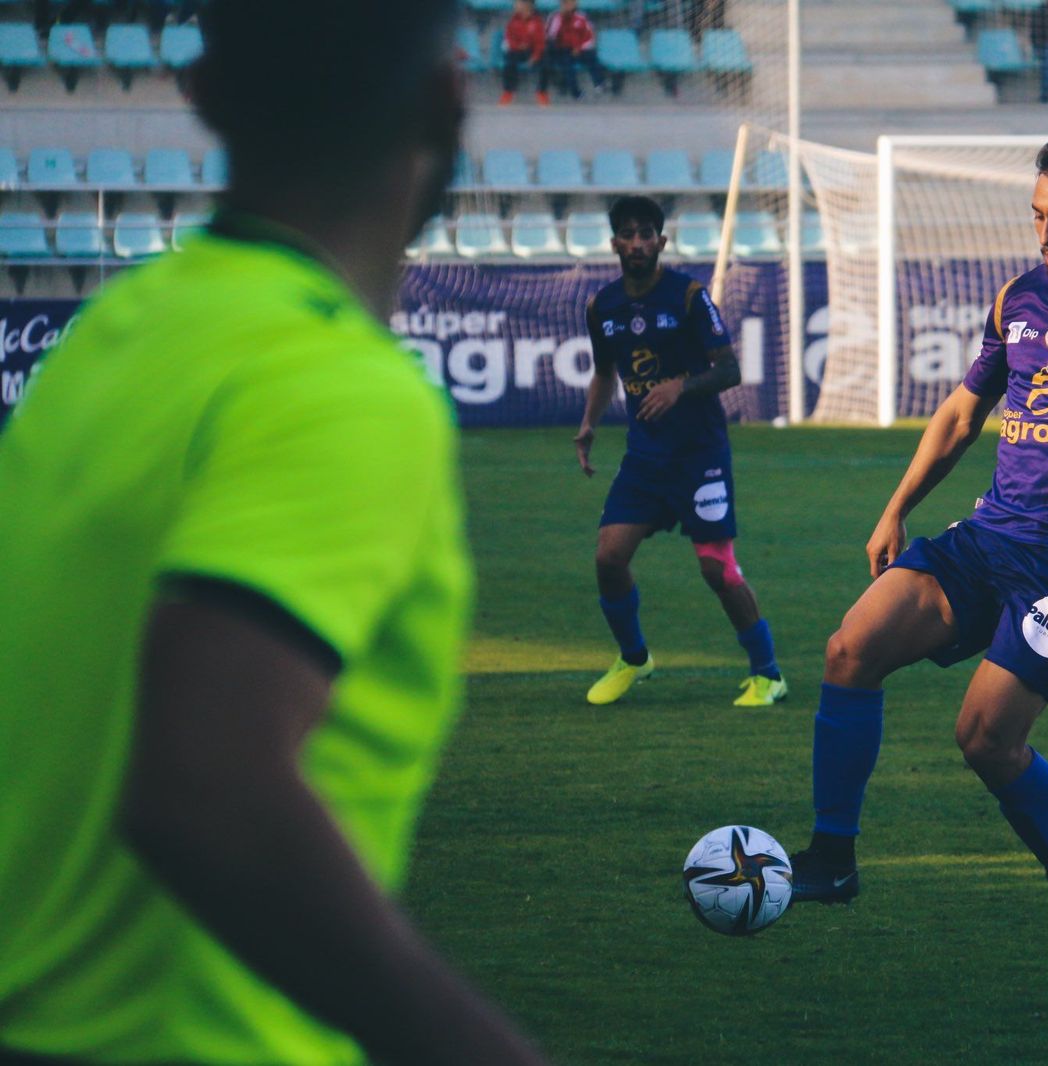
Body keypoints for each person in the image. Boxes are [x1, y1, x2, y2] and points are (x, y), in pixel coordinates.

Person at [0, 3, 549, 1065]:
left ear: (203, 94)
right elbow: (203, 783)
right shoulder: (338, 387)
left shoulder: (113, 334)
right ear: (447, 95)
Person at [785, 136, 1048, 987]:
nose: (1047, 233)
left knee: (984, 738)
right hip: (988, 536)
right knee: (849, 649)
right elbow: (962, 412)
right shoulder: (1016, 300)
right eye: (1038, 215)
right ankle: (832, 858)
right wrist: (897, 504)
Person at [575, 195, 787, 708]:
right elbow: (606, 373)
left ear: (661, 242)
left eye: (647, 234)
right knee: (609, 557)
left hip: (700, 455)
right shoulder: (602, 308)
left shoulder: (689, 297)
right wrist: (587, 425)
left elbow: (730, 369)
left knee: (716, 569)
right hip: (646, 458)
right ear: (615, 244)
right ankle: (634, 658)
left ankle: (768, 674)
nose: (638, 243)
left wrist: (679, 387)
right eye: (628, 235)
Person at [543, 0, 607, 100]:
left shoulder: (581, 16)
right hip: (563, 49)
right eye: (565, 3)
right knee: (567, 66)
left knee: (592, 57)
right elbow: (550, 36)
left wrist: (579, 48)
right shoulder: (555, 17)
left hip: (581, 48)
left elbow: (589, 35)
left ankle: (599, 84)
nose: (568, 5)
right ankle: (575, 92)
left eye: (571, 2)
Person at [500, 0, 549, 106]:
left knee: (545, 63)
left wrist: (535, 56)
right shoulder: (513, 21)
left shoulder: (537, 22)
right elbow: (509, 39)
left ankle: (542, 92)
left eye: (519, 3)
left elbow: (540, 42)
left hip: (532, 50)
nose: (516, 6)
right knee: (509, 62)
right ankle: (508, 91)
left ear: (528, 5)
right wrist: (518, 46)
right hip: (517, 50)